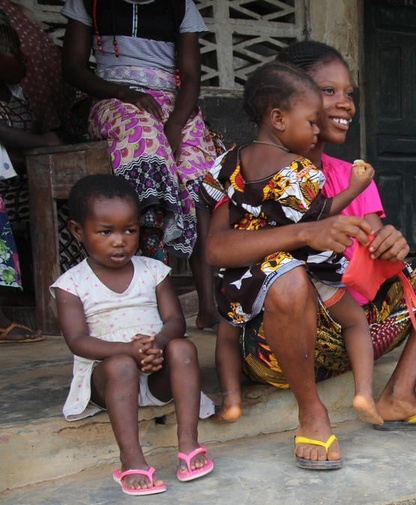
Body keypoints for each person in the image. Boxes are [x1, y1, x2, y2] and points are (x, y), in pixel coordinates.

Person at [206, 40, 416, 469]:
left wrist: (391, 244)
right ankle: (312, 412)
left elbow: (375, 250)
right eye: (328, 91)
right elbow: (217, 248)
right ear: (286, 102)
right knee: (287, 276)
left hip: (350, 331)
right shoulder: (253, 168)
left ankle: (398, 394)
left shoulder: (351, 175)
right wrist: (304, 232)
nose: (345, 103)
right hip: (276, 349)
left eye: (349, 93)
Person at [208, 61, 384, 427]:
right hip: (299, 267)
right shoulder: (299, 171)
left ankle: (231, 400)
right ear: (278, 118)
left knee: (225, 334)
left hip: (240, 276)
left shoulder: (226, 164)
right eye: (311, 123)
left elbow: (213, 231)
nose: (317, 131)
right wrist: (354, 189)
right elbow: (318, 215)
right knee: (354, 321)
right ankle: (364, 392)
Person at [61, 0, 220, 330]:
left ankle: (208, 305)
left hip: (174, 105)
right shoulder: (89, 2)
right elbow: (72, 68)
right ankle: (153, 302)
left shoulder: (180, 6)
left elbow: (191, 76)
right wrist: (124, 94)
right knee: (149, 153)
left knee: (199, 178)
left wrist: (176, 123)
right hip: (113, 98)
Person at [52, 174, 214, 496]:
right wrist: (129, 350)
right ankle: (131, 459)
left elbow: (175, 321)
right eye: (105, 232)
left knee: (183, 348)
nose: (120, 241)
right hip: (109, 379)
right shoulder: (71, 284)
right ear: (78, 231)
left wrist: (158, 343)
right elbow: (78, 342)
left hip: (156, 373)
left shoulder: (153, 271)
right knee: (121, 365)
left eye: (129, 230)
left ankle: (188, 442)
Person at [0, 18, 54, 343]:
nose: (24, 58)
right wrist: (43, 144)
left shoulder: (16, 96)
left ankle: (14, 292)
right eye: (15, 52)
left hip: (21, 189)